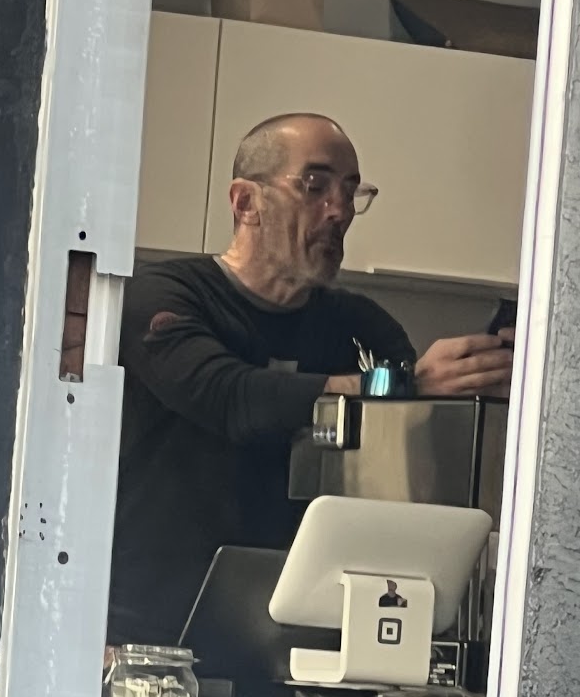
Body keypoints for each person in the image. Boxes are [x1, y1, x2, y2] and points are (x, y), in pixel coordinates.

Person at [107, 111, 514, 645]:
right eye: (315, 185)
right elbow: (234, 399)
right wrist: (403, 388)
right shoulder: (164, 297)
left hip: (298, 632)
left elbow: (403, 473)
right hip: (146, 633)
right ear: (245, 202)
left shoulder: (364, 329)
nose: (339, 210)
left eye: (350, 191)